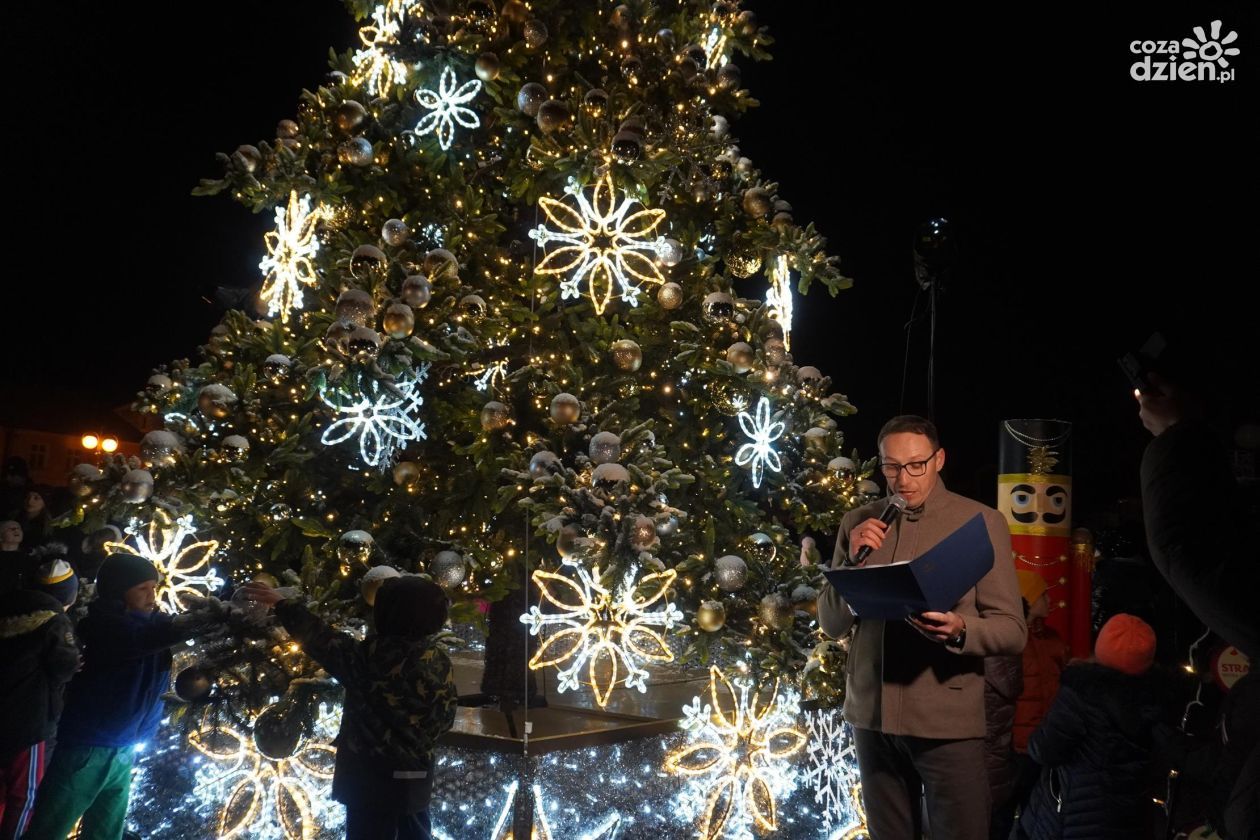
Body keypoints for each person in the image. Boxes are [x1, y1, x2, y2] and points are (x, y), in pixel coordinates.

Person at [817, 415, 1027, 839]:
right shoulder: (858, 522)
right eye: (891, 467)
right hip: (871, 717)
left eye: (916, 465)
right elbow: (831, 622)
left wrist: (960, 629)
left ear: (939, 460)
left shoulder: (980, 522)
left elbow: (1011, 630)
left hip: (945, 721)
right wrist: (852, 558)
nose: (902, 479)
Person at [21, 553, 224, 840]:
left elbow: (159, 635)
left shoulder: (152, 623)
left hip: (125, 746)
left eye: (154, 586)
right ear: (119, 590)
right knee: (51, 826)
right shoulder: (103, 626)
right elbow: (140, 640)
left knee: (107, 830)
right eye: (142, 588)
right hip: (88, 747)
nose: (152, 594)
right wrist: (200, 620)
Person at [241, 575, 458, 840]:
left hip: (370, 782)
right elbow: (446, 716)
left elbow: (319, 637)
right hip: (416, 777)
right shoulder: (439, 660)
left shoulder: (368, 659)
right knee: (415, 829)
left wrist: (283, 604)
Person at [1017, 614, 1166, 839]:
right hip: (1128, 820)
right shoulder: (1156, 701)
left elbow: (1043, 750)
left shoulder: (1080, 694)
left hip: (1071, 819)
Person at [0, 562, 79, 839]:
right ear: (69, 594)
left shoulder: (7, 605)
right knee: (24, 793)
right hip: (31, 721)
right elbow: (64, 666)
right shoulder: (56, 621)